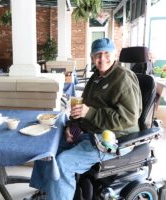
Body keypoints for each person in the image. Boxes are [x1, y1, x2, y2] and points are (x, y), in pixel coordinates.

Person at [25, 38, 142, 200]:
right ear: (92, 57)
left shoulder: (123, 78)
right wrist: (71, 127)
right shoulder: (96, 77)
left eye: (106, 54)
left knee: (63, 162)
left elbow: (128, 118)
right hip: (91, 132)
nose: (102, 59)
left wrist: (89, 113)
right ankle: (46, 192)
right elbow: (83, 107)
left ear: (114, 55)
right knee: (46, 149)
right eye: (97, 55)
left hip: (116, 139)